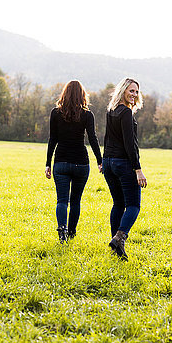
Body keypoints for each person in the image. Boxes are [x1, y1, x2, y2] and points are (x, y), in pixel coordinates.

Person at [45, 80, 102, 243]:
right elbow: (93, 138)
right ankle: (71, 232)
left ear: (65, 94)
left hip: (61, 162)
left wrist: (48, 163)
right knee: (76, 200)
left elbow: (52, 139)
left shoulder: (55, 113)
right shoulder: (87, 114)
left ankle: (61, 229)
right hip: (81, 163)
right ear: (82, 95)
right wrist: (100, 160)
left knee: (62, 200)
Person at [102, 78, 147, 260]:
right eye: (131, 91)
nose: (134, 94)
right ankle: (120, 237)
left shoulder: (111, 110)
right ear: (123, 91)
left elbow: (107, 139)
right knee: (133, 205)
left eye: (136, 92)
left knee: (118, 204)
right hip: (122, 163)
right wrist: (138, 169)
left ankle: (115, 245)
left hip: (109, 163)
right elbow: (130, 145)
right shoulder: (126, 113)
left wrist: (104, 162)